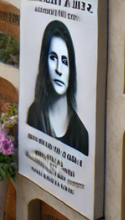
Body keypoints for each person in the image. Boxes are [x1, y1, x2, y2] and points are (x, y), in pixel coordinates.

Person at [26, 20, 89, 156]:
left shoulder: (82, 135)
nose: (59, 69)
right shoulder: (34, 114)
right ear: (44, 63)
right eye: (53, 58)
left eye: (65, 61)